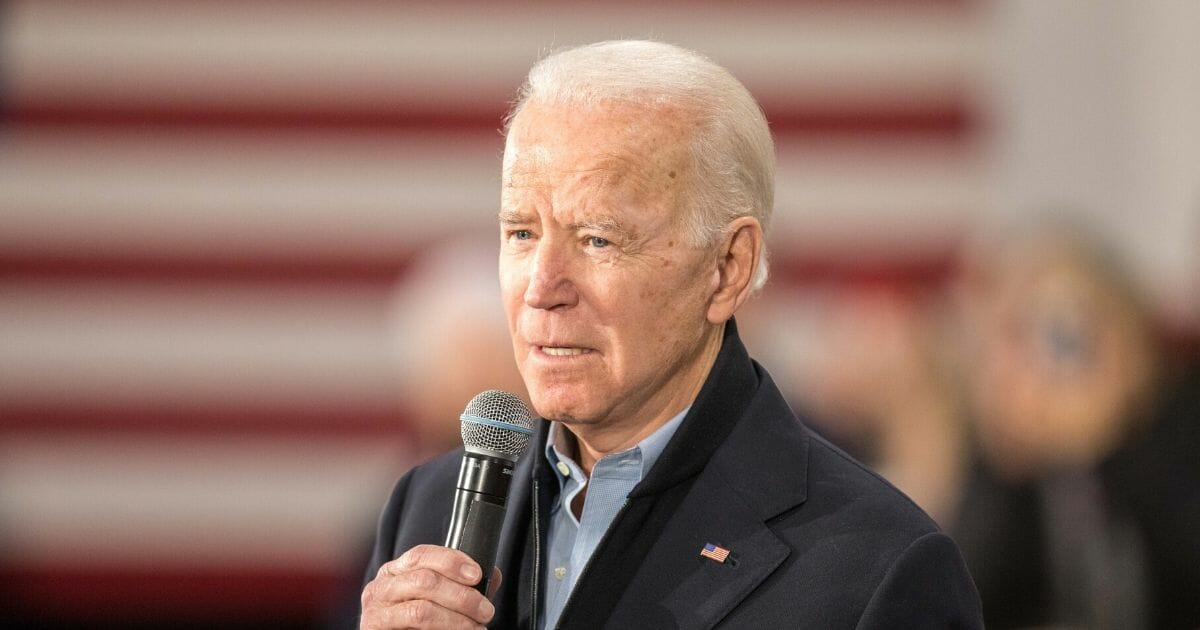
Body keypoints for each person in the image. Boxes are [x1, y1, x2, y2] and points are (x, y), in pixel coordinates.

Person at [359, 40, 983, 629]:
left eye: (598, 238)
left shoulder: (878, 571)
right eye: (521, 233)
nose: (541, 287)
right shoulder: (427, 507)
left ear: (727, 269)